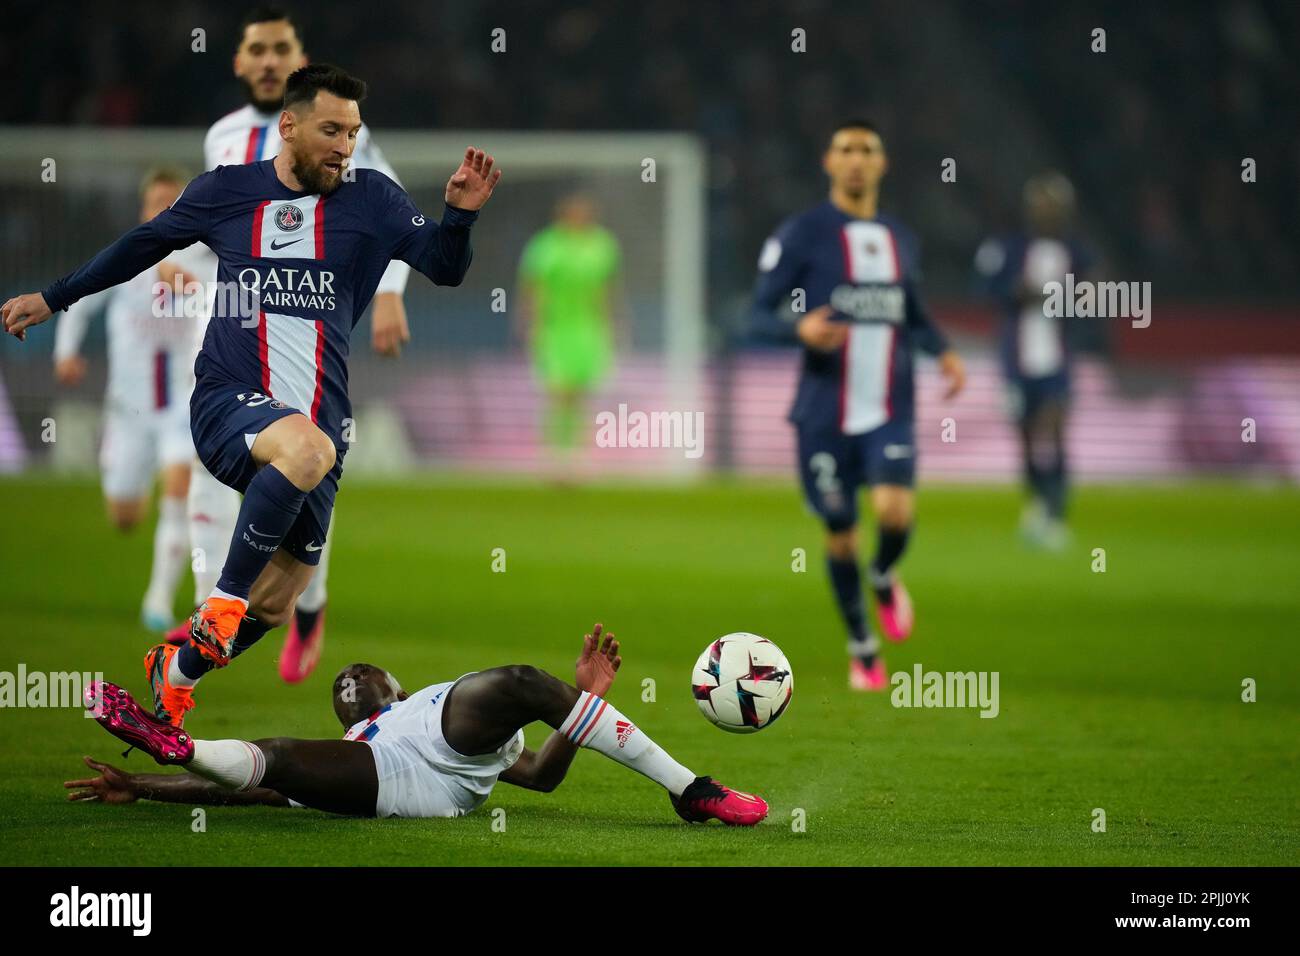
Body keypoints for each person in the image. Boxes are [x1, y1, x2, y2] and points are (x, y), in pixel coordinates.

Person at [3, 63, 501, 728]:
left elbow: (443, 266)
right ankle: (219, 600)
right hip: (228, 398)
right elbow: (141, 246)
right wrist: (53, 298)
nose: (344, 146)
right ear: (288, 125)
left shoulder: (373, 199)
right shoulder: (227, 192)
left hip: (319, 426)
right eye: (330, 130)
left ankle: (174, 678)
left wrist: (460, 215)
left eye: (352, 133)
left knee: (276, 604)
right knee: (288, 490)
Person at [177, 6, 417, 682]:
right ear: (239, 60)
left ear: (297, 57)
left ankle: (306, 604)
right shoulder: (222, 138)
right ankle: (211, 607)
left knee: (311, 465)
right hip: (230, 334)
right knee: (214, 471)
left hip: (307, 337)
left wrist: (392, 290)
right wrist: (180, 264)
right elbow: (215, 231)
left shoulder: (338, 134)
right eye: (256, 48)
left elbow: (394, 215)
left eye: (281, 47)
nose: (267, 59)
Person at [75, 624, 768, 825]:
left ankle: (687, 787)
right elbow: (240, 791)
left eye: (359, 677)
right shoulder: (359, 738)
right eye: (345, 688)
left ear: (392, 687)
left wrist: (581, 702)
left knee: (528, 685)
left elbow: (542, 777)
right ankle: (180, 744)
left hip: (447, 754)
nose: (351, 685)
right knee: (280, 759)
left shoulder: (419, 702)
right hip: (402, 784)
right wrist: (144, 783)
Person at [748, 119, 965, 691]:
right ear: (828, 161)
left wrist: (943, 351)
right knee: (840, 530)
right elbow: (753, 315)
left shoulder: (900, 237)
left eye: (867, 149)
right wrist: (801, 328)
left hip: (889, 406)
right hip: (823, 414)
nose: (856, 160)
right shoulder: (802, 234)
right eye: (845, 149)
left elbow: (911, 311)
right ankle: (862, 645)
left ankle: (884, 571)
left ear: (882, 163)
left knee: (895, 514)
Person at [52, 167, 205, 632]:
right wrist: (66, 353)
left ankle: (157, 601)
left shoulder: (202, 260)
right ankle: (137, 505)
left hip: (183, 403)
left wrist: (196, 290)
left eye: (171, 201)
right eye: (155, 200)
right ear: (143, 209)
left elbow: (229, 305)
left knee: (179, 492)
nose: (163, 208)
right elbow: (78, 299)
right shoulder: (125, 259)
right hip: (128, 410)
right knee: (124, 515)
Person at [973, 172, 1093, 549]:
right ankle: (1037, 504)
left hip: (1057, 361)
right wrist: (1014, 291)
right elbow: (983, 288)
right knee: (1025, 439)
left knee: (1055, 432)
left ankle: (1057, 517)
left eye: (1053, 206)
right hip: (1016, 362)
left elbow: (1099, 299)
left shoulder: (1079, 253)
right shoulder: (1009, 248)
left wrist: (1071, 299)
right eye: (1041, 205)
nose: (1047, 213)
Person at [517, 194, 624, 479]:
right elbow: (532, 288)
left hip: (588, 329)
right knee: (558, 392)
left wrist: (614, 324)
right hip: (554, 329)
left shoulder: (602, 246)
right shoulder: (545, 246)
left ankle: (576, 458)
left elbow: (607, 290)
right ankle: (554, 458)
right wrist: (527, 323)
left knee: (579, 395)